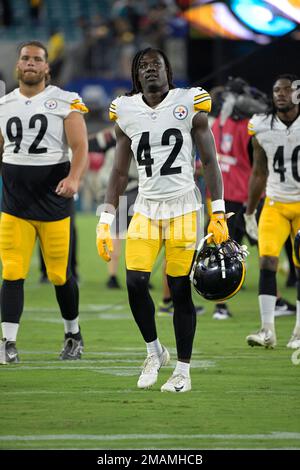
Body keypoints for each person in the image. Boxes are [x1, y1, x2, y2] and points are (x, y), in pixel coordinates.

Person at [96, 47, 229, 392]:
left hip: (184, 207)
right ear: (136, 75)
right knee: (136, 283)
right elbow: (119, 171)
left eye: (156, 64)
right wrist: (105, 219)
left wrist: (217, 211)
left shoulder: (190, 101)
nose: (150, 69)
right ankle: (155, 352)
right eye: (143, 65)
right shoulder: (125, 110)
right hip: (145, 207)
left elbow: (210, 161)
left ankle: (183, 370)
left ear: (168, 70)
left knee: (180, 288)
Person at [0, 41, 89, 364]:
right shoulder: (4, 104)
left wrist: (75, 178)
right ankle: (7, 341)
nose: (31, 63)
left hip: (53, 199)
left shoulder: (65, 101)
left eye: (37, 59)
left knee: (58, 274)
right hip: (15, 202)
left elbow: (80, 147)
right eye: (25, 58)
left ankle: (73, 333)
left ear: (47, 67)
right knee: (12, 271)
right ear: (17, 64)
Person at [244, 74, 300, 350]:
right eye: (276, 89)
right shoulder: (261, 125)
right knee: (267, 262)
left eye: (287, 89)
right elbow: (258, 172)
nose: (281, 94)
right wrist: (249, 211)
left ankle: (299, 331)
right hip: (275, 204)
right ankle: (267, 330)